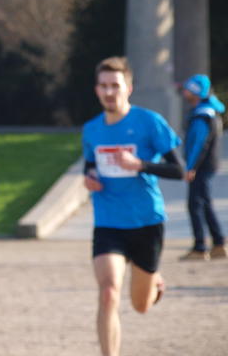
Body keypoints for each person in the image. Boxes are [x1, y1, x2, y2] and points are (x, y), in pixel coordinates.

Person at [82, 56, 184, 356]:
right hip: (108, 222)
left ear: (129, 88)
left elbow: (180, 170)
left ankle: (153, 283)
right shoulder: (91, 129)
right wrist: (89, 178)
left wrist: (139, 164)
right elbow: (91, 164)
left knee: (140, 306)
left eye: (115, 85)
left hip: (146, 221)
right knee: (108, 293)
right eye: (103, 86)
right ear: (96, 90)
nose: (109, 91)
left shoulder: (149, 122)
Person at [178, 74, 227, 261]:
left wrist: (191, 167)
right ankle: (219, 243)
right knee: (204, 204)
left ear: (196, 92)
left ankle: (200, 247)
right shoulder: (208, 112)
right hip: (206, 166)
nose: (185, 93)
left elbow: (199, 144)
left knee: (195, 205)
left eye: (188, 90)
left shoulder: (202, 114)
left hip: (201, 167)